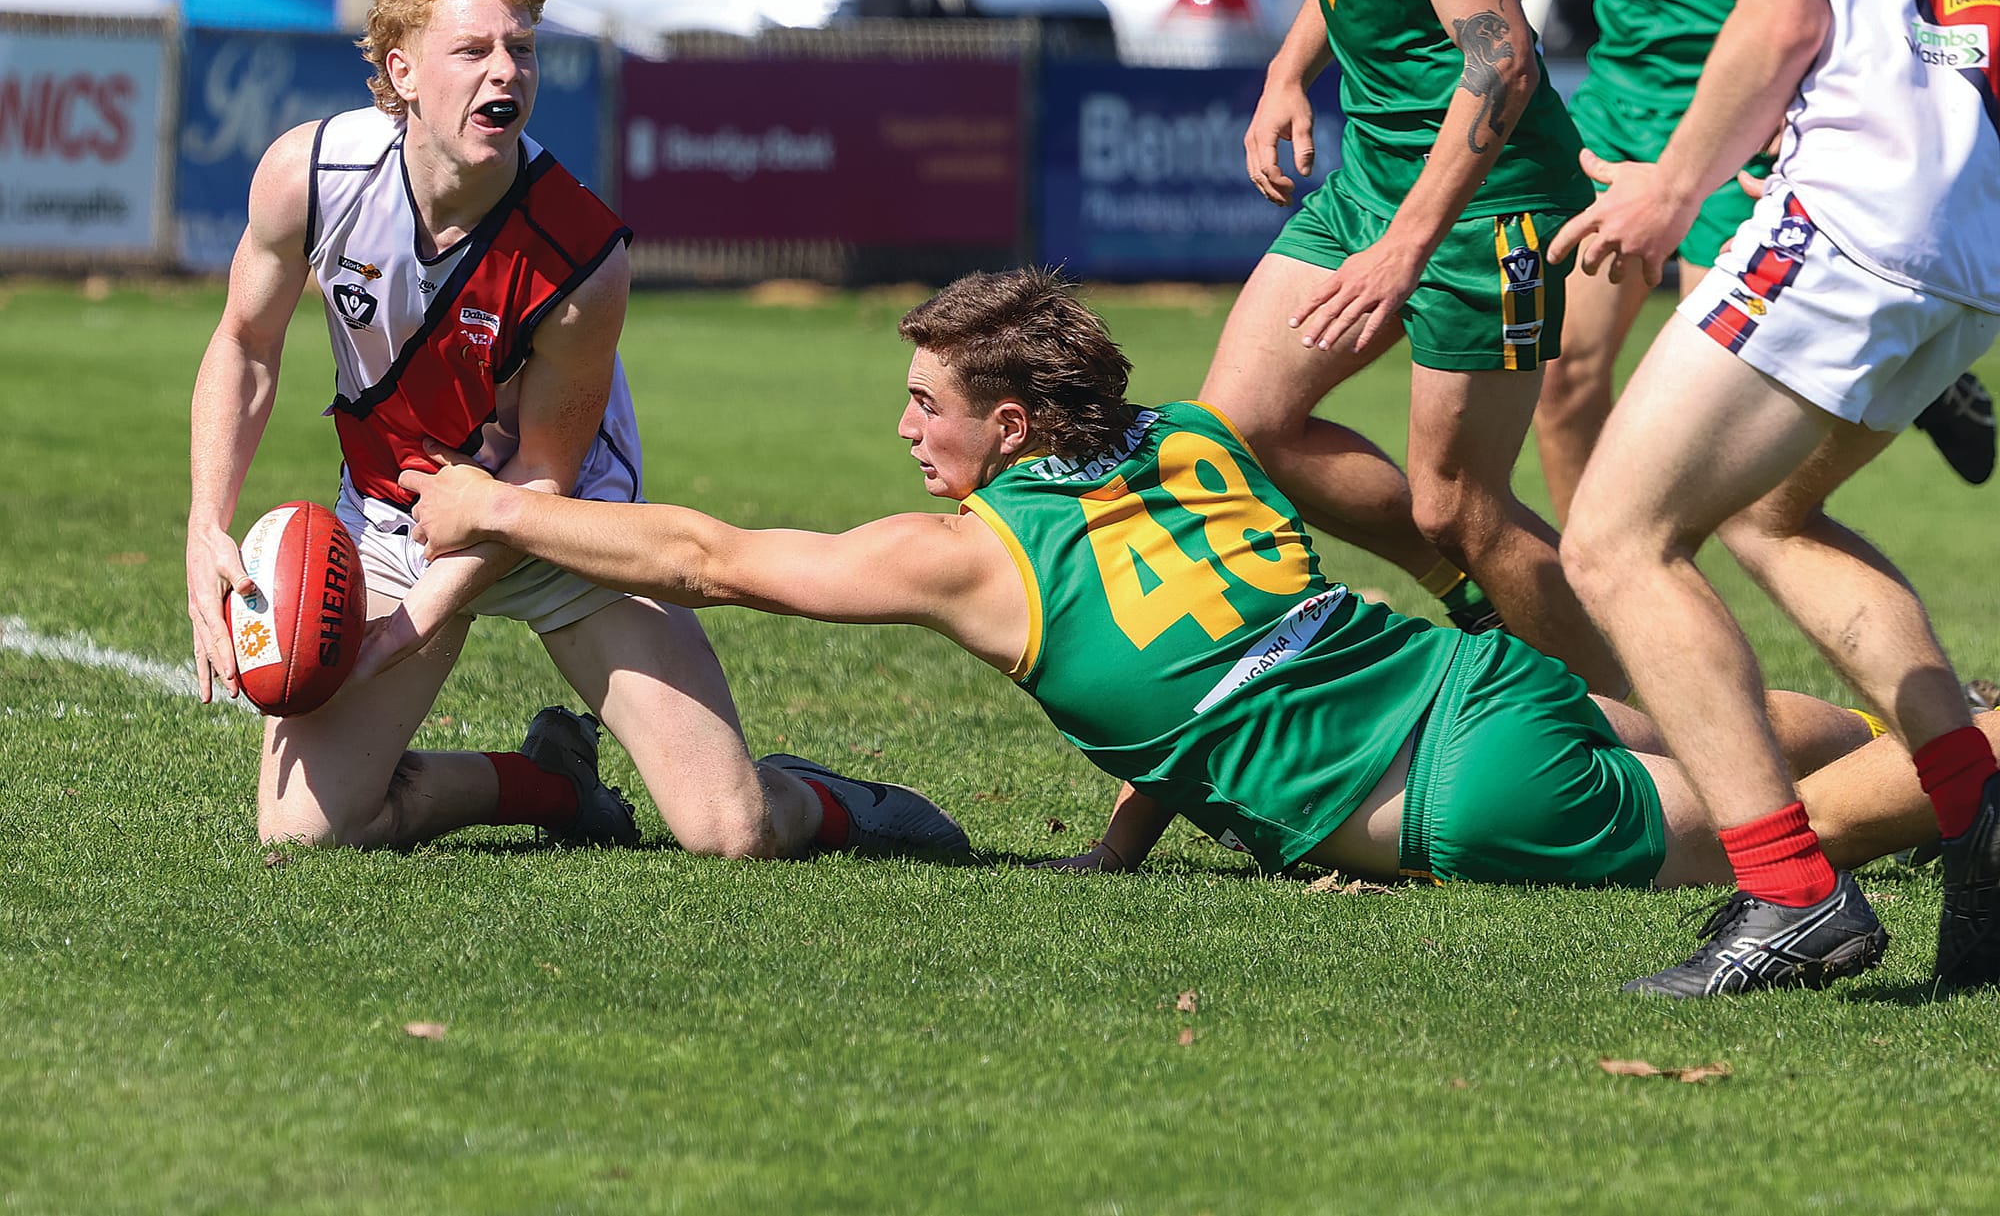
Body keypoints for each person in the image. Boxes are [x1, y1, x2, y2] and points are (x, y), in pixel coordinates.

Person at [400, 268, 1975, 915]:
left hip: (1461, 788)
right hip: (1465, 680)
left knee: (1801, 840)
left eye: (928, 407)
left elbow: (708, 560)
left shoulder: (974, 556)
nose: (904, 432)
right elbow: (1190, 675)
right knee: (1775, 734)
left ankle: (1982, 758)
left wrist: (493, 505)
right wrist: (1122, 842)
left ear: (1011, 430)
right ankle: (1957, 720)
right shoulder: (1193, 440)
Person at [185, 0, 966, 861]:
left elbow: (543, 481)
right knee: (308, 831)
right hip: (397, 519)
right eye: (471, 50)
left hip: (568, 527)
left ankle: (836, 801)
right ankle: (550, 784)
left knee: (731, 830)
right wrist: (205, 529)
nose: (504, 72)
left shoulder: (582, 256)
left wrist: (412, 624)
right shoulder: (309, 174)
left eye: (521, 49)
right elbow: (245, 344)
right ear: (399, 72)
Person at [1551, 0, 2000, 996]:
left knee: (1616, 536)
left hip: (1859, 214)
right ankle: (1978, 803)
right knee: (1774, 513)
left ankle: (1792, 893)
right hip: (1966, 221)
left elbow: (1784, 15)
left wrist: (1671, 185)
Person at [1207, 0, 1623, 696]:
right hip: (1376, 178)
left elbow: (1504, 62)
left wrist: (1405, 248)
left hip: (1488, 204)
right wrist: (1283, 73)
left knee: (1459, 504)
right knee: (1230, 436)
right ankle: (1482, 608)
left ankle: (1644, 720)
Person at [1509, 0, 1994, 521]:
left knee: (1735, 456)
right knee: (1561, 383)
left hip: (1729, 106)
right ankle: (1597, 632)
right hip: (1618, 99)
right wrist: (1465, 21)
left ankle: (1908, 384)